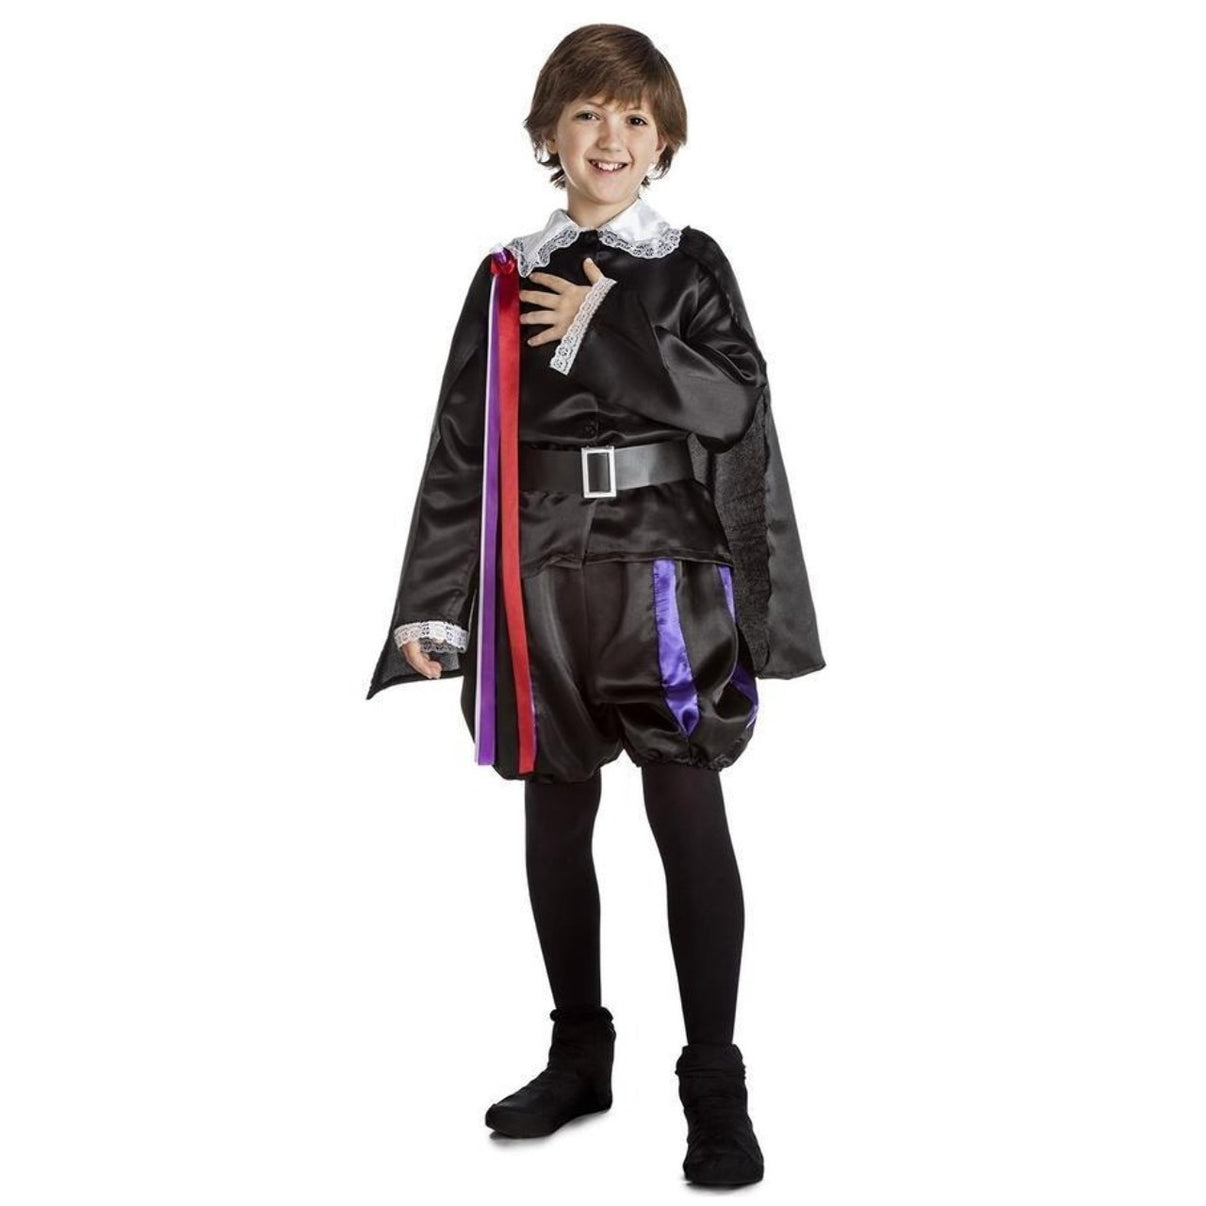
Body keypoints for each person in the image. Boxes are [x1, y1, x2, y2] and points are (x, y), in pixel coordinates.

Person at [366, 24, 824, 1188]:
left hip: (664, 572)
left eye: (634, 117)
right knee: (555, 811)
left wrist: (602, 329)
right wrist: (435, 604)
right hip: (540, 578)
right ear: (548, 135)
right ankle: (579, 1054)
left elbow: (733, 404)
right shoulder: (506, 276)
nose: (609, 137)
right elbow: (462, 447)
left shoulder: (689, 263)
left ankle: (714, 1082)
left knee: (685, 806)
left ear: (663, 140)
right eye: (585, 114)